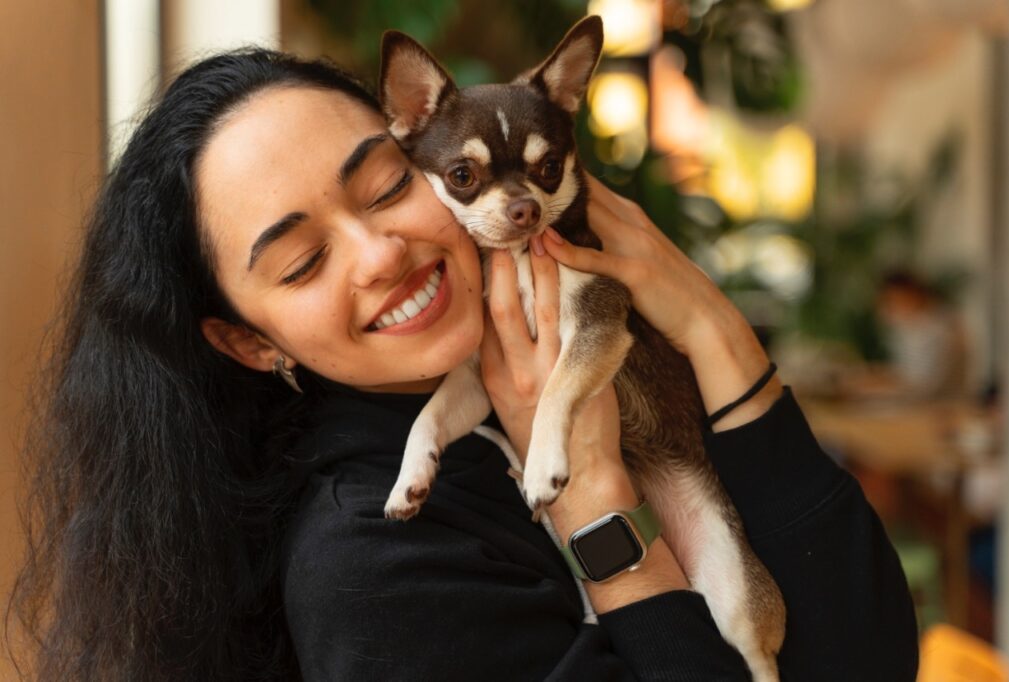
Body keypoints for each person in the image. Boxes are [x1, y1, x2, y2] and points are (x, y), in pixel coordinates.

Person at [5, 49, 918, 681]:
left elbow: (868, 659)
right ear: (253, 341)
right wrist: (597, 504)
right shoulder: (374, 564)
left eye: (390, 186)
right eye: (302, 262)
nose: (379, 254)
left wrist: (715, 330)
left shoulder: (534, 381)